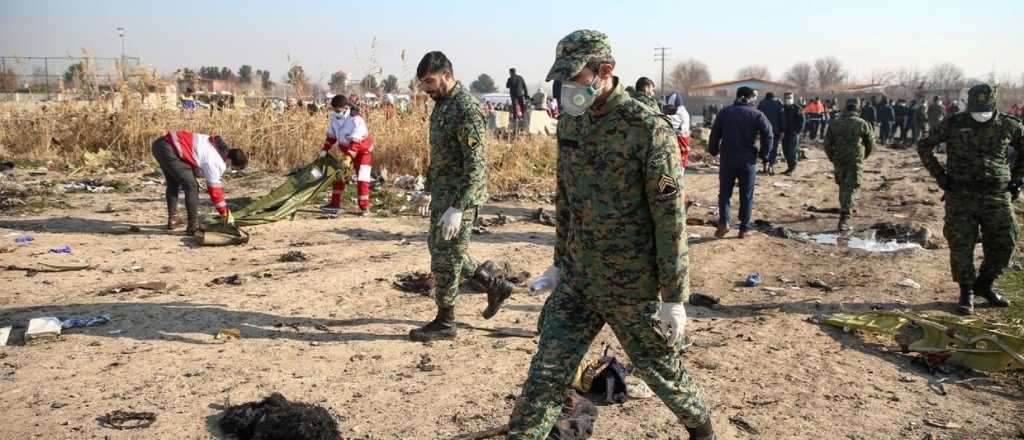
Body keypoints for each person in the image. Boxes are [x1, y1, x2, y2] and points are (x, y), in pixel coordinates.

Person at [507, 29, 714, 440]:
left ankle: (701, 429)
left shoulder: (646, 129)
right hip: (580, 279)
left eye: (575, 78)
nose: (566, 88)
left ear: (605, 71)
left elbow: (670, 219)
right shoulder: (572, 123)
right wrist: (559, 263)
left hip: (631, 285)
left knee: (661, 370)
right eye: (561, 80)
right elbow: (566, 199)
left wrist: (674, 297)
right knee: (546, 372)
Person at [409, 51, 516, 341]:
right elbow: (441, 156)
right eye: (422, 84)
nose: (426, 89)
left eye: (430, 81)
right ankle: (493, 285)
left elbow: (476, 164)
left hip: (461, 197)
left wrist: (459, 206)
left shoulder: (466, 109)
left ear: (446, 74)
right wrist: (428, 190)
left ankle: (446, 322)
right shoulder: (442, 106)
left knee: (447, 260)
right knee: (440, 248)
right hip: (443, 194)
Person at [917, 84, 1021, 315]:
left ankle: (984, 284)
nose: (979, 116)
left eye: (984, 111)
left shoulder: (1009, 125)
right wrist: (940, 175)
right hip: (961, 194)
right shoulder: (954, 123)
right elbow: (924, 145)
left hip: (997, 193)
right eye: (976, 111)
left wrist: (1017, 180)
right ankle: (966, 291)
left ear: (993, 105)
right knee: (961, 244)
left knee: (1006, 239)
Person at [152, 131, 248, 235]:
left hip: (160, 145)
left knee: (173, 183)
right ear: (229, 161)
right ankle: (193, 226)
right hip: (169, 148)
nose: (231, 170)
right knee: (192, 187)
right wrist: (225, 214)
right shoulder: (217, 162)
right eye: (233, 168)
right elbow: (216, 193)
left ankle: (173, 218)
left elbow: (196, 161)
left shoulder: (214, 147)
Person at [709, 86, 773, 239]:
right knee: (746, 194)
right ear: (750, 98)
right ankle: (744, 228)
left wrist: (713, 150)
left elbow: (715, 133)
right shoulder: (757, 114)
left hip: (727, 158)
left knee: (724, 193)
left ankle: (724, 222)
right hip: (748, 160)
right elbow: (768, 135)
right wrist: (764, 154)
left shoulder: (724, 112)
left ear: (737, 96)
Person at [318, 95, 375, 216]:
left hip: (363, 152)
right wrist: (325, 149)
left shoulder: (356, 119)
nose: (336, 112)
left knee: (362, 179)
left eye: (338, 110)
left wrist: (349, 158)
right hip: (347, 150)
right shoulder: (335, 118)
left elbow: (356, 142)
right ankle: (335, 204)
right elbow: (332, 136)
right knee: (340, 175)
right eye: (334, 110)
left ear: (346, 107)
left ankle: (364, 208)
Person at [823, 99, 874, 232]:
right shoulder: (862, 124)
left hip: (839, 160)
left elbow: (827, 143)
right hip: (855, 160)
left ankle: (844, 210)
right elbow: (871, 144)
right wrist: (863, 157)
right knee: (851, 187)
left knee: (843, 186)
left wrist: (832, 157)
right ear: (858, 110)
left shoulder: (835, 123)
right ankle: (845, 218)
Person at [757, 92, 785, 174]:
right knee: (774, 147)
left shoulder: (761, 104)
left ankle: (765, 166)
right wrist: (783, 130)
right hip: (775, 130)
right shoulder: (778, 104)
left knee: (764, 147)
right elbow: (782, 117)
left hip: (764, 130)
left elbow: (758, 117)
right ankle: (771, 166)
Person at [781, 92, 806, 175]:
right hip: (785, 133)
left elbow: (802, 121)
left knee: (792, 151)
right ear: (784, 98)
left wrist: (797, 132)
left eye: (790, 97)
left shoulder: (798, 108)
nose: (789, 99)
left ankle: (792, 168)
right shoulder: (782, 108)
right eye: (787, 97)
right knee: (785, 151)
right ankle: (789, 167)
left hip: (793, 133)